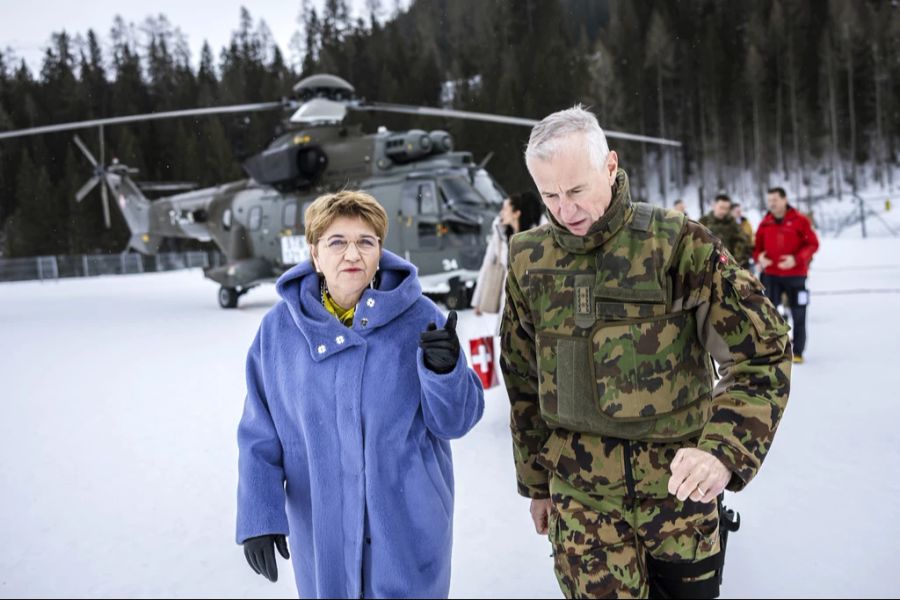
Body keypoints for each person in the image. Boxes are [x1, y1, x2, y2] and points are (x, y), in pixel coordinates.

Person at [500, 106, 792, 599]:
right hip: (581, 501)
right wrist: (534, 484)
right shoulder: (529, 258)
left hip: (678, 498)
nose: (564, 210)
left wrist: (722, 451)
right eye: (549, 195)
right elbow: (522, 377)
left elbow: (762, 353)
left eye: (576, 190)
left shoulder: (677, 244)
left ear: (610, 166)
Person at [236, 190, 485, 598]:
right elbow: (259, 435)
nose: (352, 254)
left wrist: (445, 372)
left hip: (408, 526)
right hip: (322, 528)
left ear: (380, 252)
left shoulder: (421, 317)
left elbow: (455, 422)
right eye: (337, 242)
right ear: (314, 254)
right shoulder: (278, 331)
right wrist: (259, 514)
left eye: (365, 242)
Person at [754, 187, 819, 364]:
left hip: (795, 276)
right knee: (768, 314)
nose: (771, 204)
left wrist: (796, 259)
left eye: (775, 200)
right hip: (770, 276)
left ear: (784, 200)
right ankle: (772, 350)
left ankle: (797, 351)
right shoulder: (765, 222)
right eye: (769, 200)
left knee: (799, 313)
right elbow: (757, 247)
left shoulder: (800, 221)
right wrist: (760, 257)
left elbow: (813, 244)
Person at [472, 190, 544, 320]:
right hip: (508, 303)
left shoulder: (537, 237)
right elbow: (487, 264)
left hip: (533, 304)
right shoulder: (500, 235)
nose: (501, 213)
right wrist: (478, 301)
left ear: (516, 213)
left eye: (505, 209)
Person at [699, 194, 752, 268]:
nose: (723, 211)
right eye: (721, 207)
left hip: (728, 267)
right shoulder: (703, 222)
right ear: (714, 205)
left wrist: (735, 261)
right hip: (707, 267)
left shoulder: (732, 224)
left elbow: (742, 242)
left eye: (726, 209)